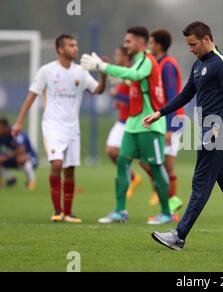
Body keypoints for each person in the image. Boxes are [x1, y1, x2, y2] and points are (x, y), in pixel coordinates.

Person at [143, 21, 223, 251]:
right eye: (188, 44)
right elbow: (187, 93)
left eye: (193, 44)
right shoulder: (199, 65)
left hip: (220, 130)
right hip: (209, 130)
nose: (190, 48)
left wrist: (216, 127)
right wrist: (160, 113)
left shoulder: (222, 62)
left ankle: (179, 235)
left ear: (207, 39)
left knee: (200, 183)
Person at [82, 26, 173, 225]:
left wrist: (102, 67)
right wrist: (103, 69)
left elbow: (134, 76)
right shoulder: (138, 62)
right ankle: (120, 211)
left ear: (140, 42)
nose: (125, 45)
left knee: (156, 167)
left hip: (150, 123)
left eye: (128, 41)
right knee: (122, 162)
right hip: (133, 123)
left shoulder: (147, 61)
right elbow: (127, 76)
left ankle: (167, 212)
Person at [12, 34, 107, 223]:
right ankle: (57, 210)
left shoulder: (80, 72)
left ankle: (69, 213)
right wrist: (19, 122)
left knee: (70, 170)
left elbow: (98, 91)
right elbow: (32, 96)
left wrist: (103, 73)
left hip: (73, 128)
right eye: (71, 45)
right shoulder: (47, 71)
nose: (76, 48)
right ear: (60, 49)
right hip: (53, 126)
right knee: (57, 164)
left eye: (76, 44)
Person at [147, 29, 186, 213]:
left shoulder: (168, 65)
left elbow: (172, 97)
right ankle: (168, 198)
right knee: (153, 162)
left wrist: (170, 128)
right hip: (163, 120)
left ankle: (170, 205)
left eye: (151, 42)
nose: (148, 46)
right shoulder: (157, 63)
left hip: (172, 121)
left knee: (167, 165)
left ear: (158, 45)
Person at [105, 46, 143, 199]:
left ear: (126, 58)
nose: (115, 57)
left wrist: (118, 97)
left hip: (134, 122)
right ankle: (132, 178)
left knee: (147, 162)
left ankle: (160, 191)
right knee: (111, 151)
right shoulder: (121, 76)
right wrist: (119, 102)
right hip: (122, 121)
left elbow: (136, 98)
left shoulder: (132, 74)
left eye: (117, 55)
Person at [0, 118, 37, 190]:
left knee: (22, 158)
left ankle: (31, 181)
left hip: (30, 157)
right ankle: (10, 179)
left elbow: (21, 149)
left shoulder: (16, 133)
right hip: (13, 157)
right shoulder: (1, 136)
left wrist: (5, 157)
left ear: (5, 127)